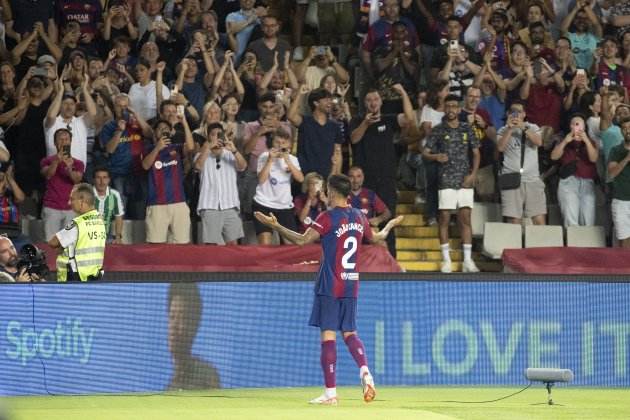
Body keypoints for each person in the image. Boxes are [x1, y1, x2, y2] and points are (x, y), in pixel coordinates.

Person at [254, 174, 403, 405]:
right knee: (350, 333)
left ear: (333, 192)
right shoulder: (359, 217)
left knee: (328, 335)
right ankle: (365, 370)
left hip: (330, 283)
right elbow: (377, 238)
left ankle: (331, 393)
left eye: (327, 190)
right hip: (351, 284)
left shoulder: (327, 218)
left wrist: (275, 226)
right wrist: (391, 225)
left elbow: (302, 241)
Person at [423, 95, 480, 273]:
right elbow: (425, 152)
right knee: (444, 219)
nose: (451, 110)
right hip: (446, 179)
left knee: (465, 219)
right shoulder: (438, 130)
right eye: (448, 106)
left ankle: (468, 261)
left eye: (454, 106)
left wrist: (473, 174)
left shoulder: (466, 128)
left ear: (459, 108)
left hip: (464, 180)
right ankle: (446, 260)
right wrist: (435, 157)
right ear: (445, 108)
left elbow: (476, 153)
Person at [195, 123, 247, 245]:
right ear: (208, 138)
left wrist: (234, 150)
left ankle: (233, 265)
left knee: (233, 244)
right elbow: (197, 166)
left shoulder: (231, 154)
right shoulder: (201, 155)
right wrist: (207, 148)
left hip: (230, 205)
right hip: (209, 206)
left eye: (220, 134)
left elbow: (243, 166)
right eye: (213, 135)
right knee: (212, 246)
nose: (217, 137)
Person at [252, 128, 304, 245]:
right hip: (263, 204)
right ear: (272, 143)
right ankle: (265, 264)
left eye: (283, 143)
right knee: (265, 244)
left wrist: (288, 161)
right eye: (277, 142)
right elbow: (261, 179)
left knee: (291, 246)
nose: (280, 146)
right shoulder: (264, 156)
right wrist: (270, 160)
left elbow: (300, 178)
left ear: (289, 144)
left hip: (284, 206)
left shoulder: (293, 159)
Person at [47, 183, 106, 282]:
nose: (69, 203)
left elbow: (53, 242)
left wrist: (61, 248)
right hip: (94, 276)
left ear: (82, 201)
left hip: (74, 277)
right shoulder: (100, 221)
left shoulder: (77, 224)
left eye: (72, 199)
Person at [167, 282, 221, 390]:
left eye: (181, 317)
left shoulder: (206, 375)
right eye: (172, 317)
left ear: (194, 326)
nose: (174, 326)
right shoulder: (170, 387)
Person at [550, 114, 599, 227]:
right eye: (573, 124)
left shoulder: (591, 141)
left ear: (584, 127)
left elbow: (594, 158)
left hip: (587, 182)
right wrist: (566, 141)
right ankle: (572, 244)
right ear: (570, 126)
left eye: (579, 124)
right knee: (571, 221)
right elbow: (554, 156)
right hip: (568, 182)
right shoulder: (563, 140)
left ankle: (587, 244)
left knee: (588, 222)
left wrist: (586, 140)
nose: (576, 127)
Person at [40, 128, 85, 242]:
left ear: (70, 142)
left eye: (66, 139)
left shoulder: (78, 163)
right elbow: (48, 174)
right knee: (50, 243)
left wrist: (69, 167)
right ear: (55, 143)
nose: (64, 142)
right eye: (60, 139)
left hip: (71, 208)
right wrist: (56, 161)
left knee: (69, 244)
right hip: (51, 207)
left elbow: (77, 180)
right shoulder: (47, 161)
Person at [608, 117, 630, 248]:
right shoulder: (616, 150)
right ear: (621, 131)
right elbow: (612, 173)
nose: (627, 131)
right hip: (621, 201)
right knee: (624, 241)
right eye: (624, 128)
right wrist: (627, 158)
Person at [92, 167, 125, 244]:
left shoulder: (115, 195)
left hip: (106, 237)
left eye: (104, 177)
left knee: (118, 245)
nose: (102, 181)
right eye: (98, 178)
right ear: (93, 180)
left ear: (109, 180)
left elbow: (119, 217)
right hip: (87, 236)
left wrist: (118, 237)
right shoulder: (87, 194)